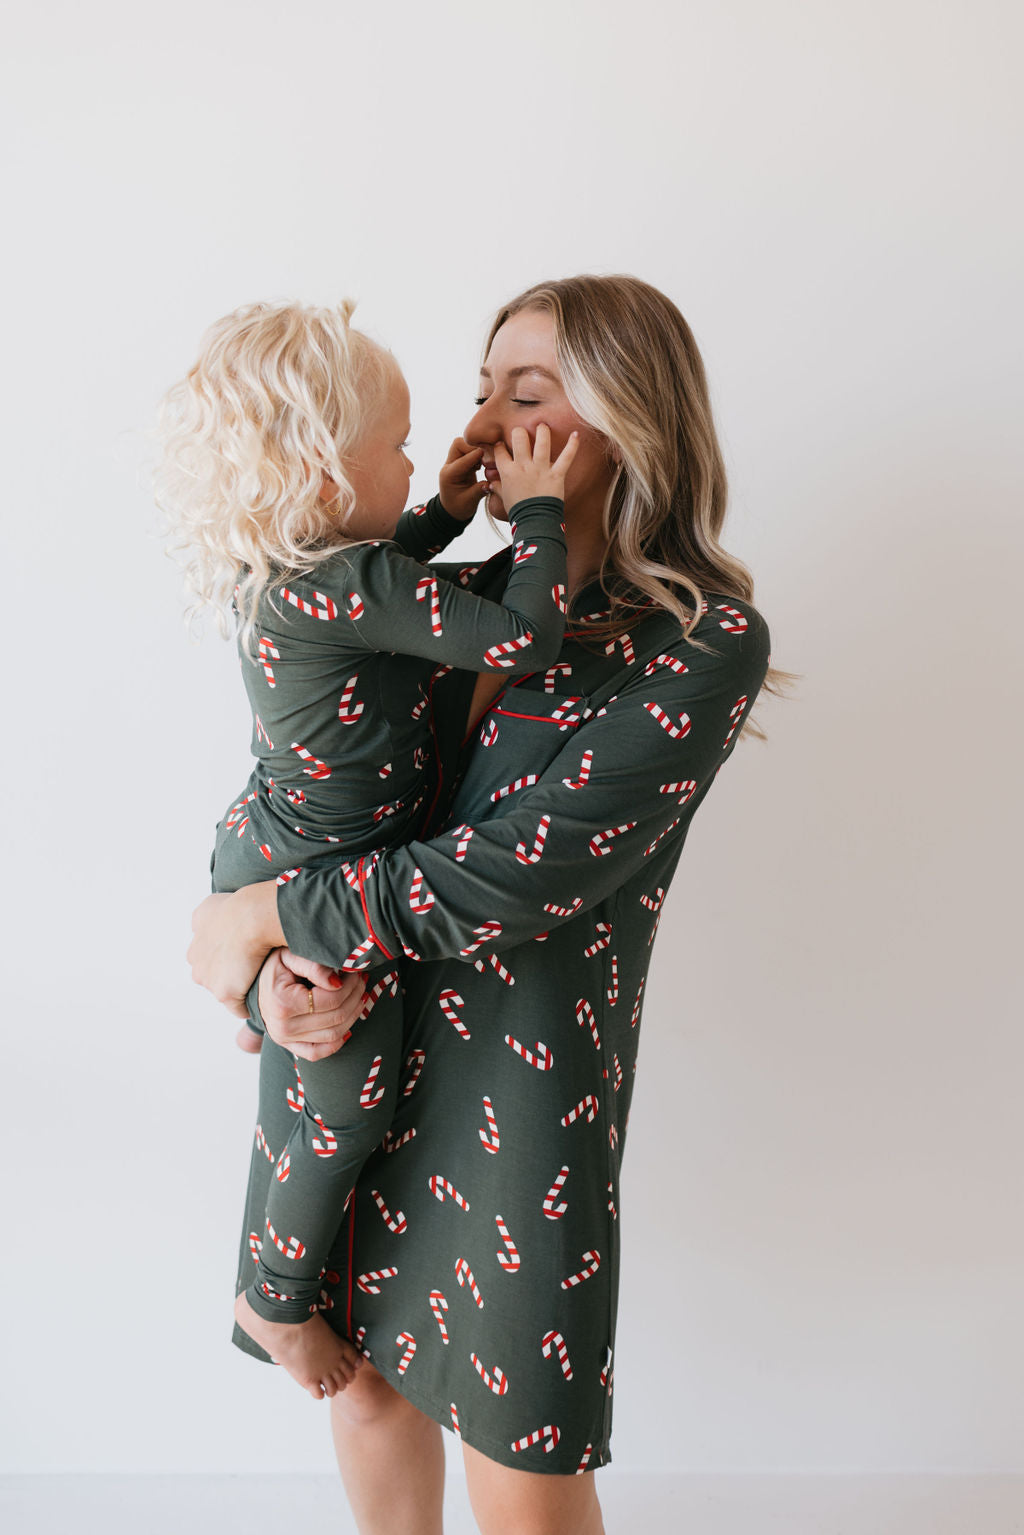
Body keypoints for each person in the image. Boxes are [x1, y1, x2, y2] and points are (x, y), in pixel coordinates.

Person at [189, 275, 777, 1535]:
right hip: (355, 1043)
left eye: (530, 394)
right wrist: (264, 970)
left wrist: (269, 913)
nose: (486, 423)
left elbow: (519, 870)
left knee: (523, 1457)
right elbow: (304, 781)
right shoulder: (445, 591)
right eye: (480, 393)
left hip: (517, 1096)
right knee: (367, 1395)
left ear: (630, 419)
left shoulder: (699, 639)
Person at [158, 299, 577, 1400]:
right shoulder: (349, 583)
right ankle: (275, 1295)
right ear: (320, 469)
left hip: (265, 846)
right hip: (310, 873)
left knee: (310, 1062)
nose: (417, 451)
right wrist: (535, 518)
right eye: (395, 443)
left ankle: (279, 1267)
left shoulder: (302, 569)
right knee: (349, 1092)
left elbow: (389, 573)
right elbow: (523, 636)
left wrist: (439, 509)